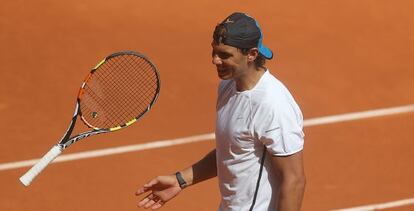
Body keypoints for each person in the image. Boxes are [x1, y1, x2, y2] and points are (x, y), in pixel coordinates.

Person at [136, 12, 306, 211]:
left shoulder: (273, 105)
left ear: (251, 54)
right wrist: (180, 180)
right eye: (214, 52)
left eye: (225, 55)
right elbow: (233, 150)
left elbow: (294, 181)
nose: (215, 60)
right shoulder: (228, 86)